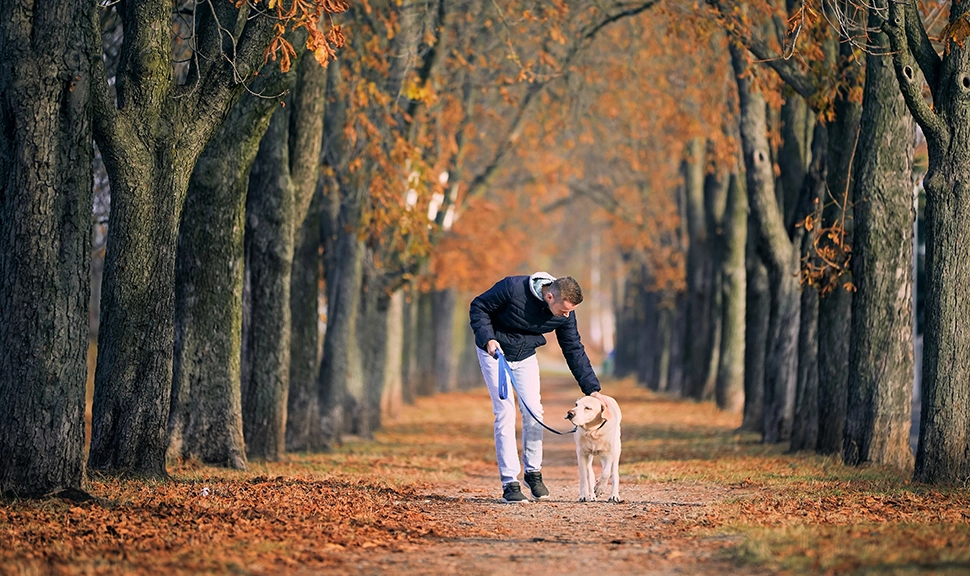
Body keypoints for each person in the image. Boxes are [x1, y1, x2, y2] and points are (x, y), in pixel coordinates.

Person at [469, 272, 602, 503]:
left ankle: (533, 473)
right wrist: (488, 338)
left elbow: (573, 349)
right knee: (505, 413)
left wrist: (592, 389)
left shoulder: (565, 314)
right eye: (565, 309)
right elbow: (479, 307)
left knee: (534, 413)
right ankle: (510, 482)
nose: (567, 314)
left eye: (571, 310)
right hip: (494, 352)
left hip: (525, 356)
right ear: (550, 296)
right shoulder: (512, 288)